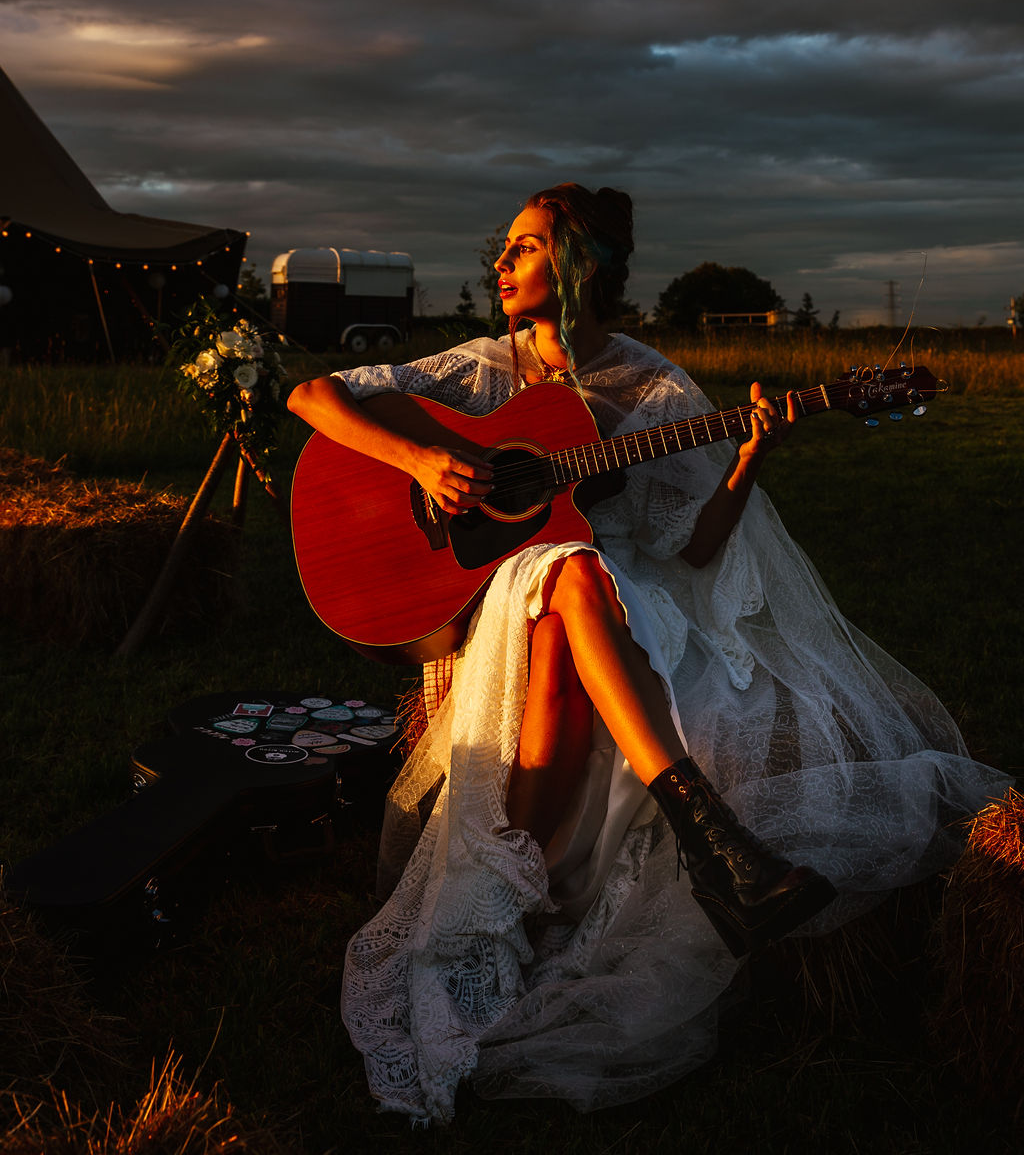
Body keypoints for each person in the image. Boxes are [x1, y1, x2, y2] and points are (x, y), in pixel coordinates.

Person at [288, 183, 1006, 1124]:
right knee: (567, 573)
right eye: (501, 249)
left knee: (573, 593)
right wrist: (425, 463)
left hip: (618, 595)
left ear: (576, 262)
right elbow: (313, 396)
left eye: (524, 247)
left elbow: (696, 549)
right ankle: (712, 843)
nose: (499, 265)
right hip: (521, 582)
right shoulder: (476, 368)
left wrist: (748, 458)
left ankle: (518, 899)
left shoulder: (654, 385)